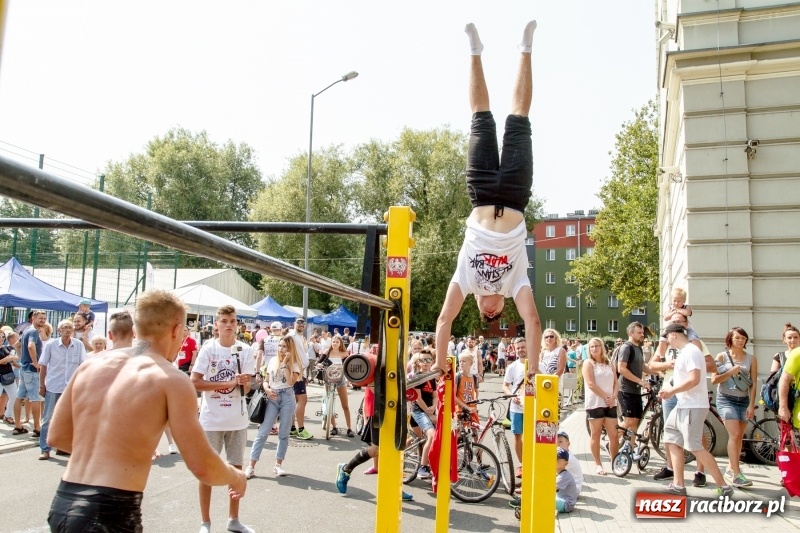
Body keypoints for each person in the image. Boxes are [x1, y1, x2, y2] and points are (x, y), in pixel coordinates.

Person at [46, 290, 247, 532]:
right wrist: (236, 477)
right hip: (111, 510)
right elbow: (202, 465)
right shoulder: (170, 378)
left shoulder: (91, 364)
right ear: (176, 330)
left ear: (136, 328)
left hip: (64, 500)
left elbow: (57, 437)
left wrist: (117, 450)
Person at [434, 21, 542, 379]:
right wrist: (534, 369)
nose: (491, 310)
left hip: (480, 192)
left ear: (481, 305)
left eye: (487, 314)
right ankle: (525, 49)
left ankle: (474, 51)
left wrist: (439, 364)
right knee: (519, 119)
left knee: (480, 120)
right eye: (495, 315)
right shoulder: (514, 286)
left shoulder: (466, 280)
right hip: (514, 194)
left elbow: (445, 318)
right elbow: (532, 320)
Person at [191, 305, 255, 533]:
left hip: (237, 421)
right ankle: (205, 522)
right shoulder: (209, 349)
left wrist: (244, 382)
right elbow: (194, 382)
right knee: (207, 471)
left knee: (236, 472)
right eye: (225, 321)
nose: (229, 325)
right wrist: (226, 384)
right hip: (211, 420)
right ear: (217, 324)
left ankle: (233, 519)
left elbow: (246, 390)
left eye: (233, 321)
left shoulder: (245, 350)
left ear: (237, 324)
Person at [658, 322, 733, 497]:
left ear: (674, 335)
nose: (667, 341)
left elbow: (694, 379)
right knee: (670, 439)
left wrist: (672, 391)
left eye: (667, 337)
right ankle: (678, 484)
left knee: (694, 446)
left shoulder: (691, 351)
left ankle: (723, 486)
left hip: (693, 405)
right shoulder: (687, 352)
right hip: (683, 405)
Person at [335, 376, 413, 501]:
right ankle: (346, 469)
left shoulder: (398, 359)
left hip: (395, 411)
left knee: (394, 450)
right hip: (379, 412)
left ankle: (394, 487)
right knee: (376, 450)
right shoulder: (377, 359)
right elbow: (373, 388)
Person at [246, 335, 302, 479]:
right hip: (272, 396)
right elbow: (266, 380)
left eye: (284, 347)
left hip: (287, 397)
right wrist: (267, 389)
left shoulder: (294, 363)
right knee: (263, 432)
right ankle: (251, 466)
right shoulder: (271, 361)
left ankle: (278, 465)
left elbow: (290, 382)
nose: (281, 349)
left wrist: (285, 363)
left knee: (283, 433)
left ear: (290, 349)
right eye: (280, 346)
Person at [711, 327, 757, 488]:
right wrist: (731, 372)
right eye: (737, 338)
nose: (740, 340)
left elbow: (753, 383)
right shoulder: (722, 357)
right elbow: (714, 380)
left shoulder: (751, 359)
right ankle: (737, 475)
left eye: (743, 338)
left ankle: (731, 468)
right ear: (730, 339)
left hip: (743, 400)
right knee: (735, 434)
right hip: (726, 399)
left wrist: (751, 404)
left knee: (739, 437)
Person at [38, 319, 87, 460]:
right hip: (53, 386)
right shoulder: (51, 345)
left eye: (69, 328)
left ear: (73, 331)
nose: (67, 330)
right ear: (59, 330)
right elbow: (43, 366)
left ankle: (62, 447)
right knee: (48, 418)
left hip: (71, 387)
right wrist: (42, 385)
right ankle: (45, 449)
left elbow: (82, 366)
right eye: (64, 328)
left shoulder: (78, 345)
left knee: (69, 418)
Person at [582, 337, 618, 475]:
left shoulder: (610, 363)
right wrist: (605, 397)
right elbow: (591, 384)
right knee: (595, 434)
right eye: (592, 347)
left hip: (610, 403)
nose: (595, 348)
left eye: (597, 346)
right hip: (595, 403)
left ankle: (615, 462)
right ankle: (598, 464)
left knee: (614, 435)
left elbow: (616, 382)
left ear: (602, 347)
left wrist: (613, 396)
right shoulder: (588, 363)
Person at [616, 322, 656, 448]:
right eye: (639, 333)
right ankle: (612, 443)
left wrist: (659, 372)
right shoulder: (626, 348)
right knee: (629, 421)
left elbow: (643, 366)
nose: (642, 335)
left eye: (642, 333)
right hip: (625, 389)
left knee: (635, 421)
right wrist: (640, 381)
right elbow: (621, 368)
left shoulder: (638, 348)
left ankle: (630, 447)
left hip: (635, 390)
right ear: (630, 333)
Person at [13, 310, 46, 436]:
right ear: (33, 318)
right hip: (32, 370)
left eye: (44, 318)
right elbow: (31, 346)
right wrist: (35, 362)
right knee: (35, 398)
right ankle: (37, 428)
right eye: (40, 318)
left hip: (24, 368)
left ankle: (17, 426)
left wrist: (22, 360)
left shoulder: (27, 330)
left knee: (19, 396)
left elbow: (16, 345)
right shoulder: (33, 331)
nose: (42, 320)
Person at [409, 348, 438, 480]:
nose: (425, 363)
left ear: (432, 361)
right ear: (418, 362)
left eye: (428, 360)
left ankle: (399, 452)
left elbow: (435, 395)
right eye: (422, 360)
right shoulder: (417, 377)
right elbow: (417, 398)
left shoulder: (432, 377)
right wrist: (429, 411)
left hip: (429, 410)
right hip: (418, 411)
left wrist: (434, 406)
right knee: (431, 436)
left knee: (419, 440)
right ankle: (423, 467)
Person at [318, 334, 354, 436]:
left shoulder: (344, 354)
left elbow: (348, 366)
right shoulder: (327, 352)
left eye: (337, 342)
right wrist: (319, 364)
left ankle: (349, 428)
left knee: (345, 405)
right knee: (330, 403)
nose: (335, 343)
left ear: (340, 343)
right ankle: (334, 427)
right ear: (331, 343)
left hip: (340, 379)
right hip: (328, 378)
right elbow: (319, 362)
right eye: (333, 342)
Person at [502, 337, 527, 478]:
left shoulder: (539, 365)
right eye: (518, 348)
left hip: (532, 407)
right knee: (518, 436)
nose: (521, 350)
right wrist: (512, 396)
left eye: (523, 347)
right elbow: (505, 385)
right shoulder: (512, 367)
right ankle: (522, 464)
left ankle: (531, 462)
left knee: (532, 437)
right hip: (516, 407)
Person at [287, 316, 312, 440]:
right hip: (296, 371)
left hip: (300, 371)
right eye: (299, 322)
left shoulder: (301, 337)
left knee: (295, 401)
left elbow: (303, 354)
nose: (301, 324)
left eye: (303, 323)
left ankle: (292, 428)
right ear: (294, 323)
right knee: (302, 400)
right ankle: (300, 429)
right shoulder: (291, 335)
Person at [555, 447, 578, 513]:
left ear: (565, 463)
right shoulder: (560, 473)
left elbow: (551, 489)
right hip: (563, 500)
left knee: (545, 498)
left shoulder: (564, 476)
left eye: (557, 459)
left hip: (567, 505)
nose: (554, 460)